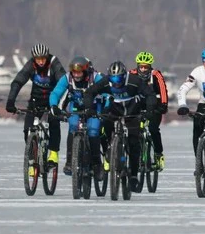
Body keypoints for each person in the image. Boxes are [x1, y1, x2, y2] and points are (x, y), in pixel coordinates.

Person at [82, 61, 156, 190]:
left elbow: (150, 94)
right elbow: (89, 92)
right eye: (113, 80)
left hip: (132, 112)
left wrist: (149, 110)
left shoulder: (135, 81)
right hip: (114, 111)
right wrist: (89, 108)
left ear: (124, 76)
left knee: (134, 143)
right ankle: (107, 151)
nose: (116, 83)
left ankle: (133, 175)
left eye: (119, 80)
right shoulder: (105, 81)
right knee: (103, 129)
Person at [5, 44, 66, 168]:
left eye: (43, 59)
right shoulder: (30, 65)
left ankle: (53, 153)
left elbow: (63, 82)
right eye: (38, 59)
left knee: (54, 121)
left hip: (52, 98)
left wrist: (60, 106)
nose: (41, 62)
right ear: (34, 58)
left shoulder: (54, 63)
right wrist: (10, 101)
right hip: (36, 99)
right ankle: (32, 159)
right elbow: (18, 82)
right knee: (28, 130)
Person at [49, 56, 105, 177]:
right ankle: (70, 162)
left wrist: (106, 108)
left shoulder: (96, 78)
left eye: (79, 72)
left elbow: (107, 92)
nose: (76, 75)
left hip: (94, 107)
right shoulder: (67, 78)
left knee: (93, 131)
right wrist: (54, 105)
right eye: (74, 72)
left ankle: (97, 164)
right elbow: (56, 92)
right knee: (73, 126)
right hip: (76, 106)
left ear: (85, 71)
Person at [130, 51, 169, 171]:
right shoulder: (131, 74)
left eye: (146, 67)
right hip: (138, 104)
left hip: (154, 106)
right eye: (141, 66)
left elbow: (163, 90)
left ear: (150, 67)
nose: (143, 69)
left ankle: (158, 154)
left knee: (153, 129)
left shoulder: (156, 75)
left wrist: (163, 105)